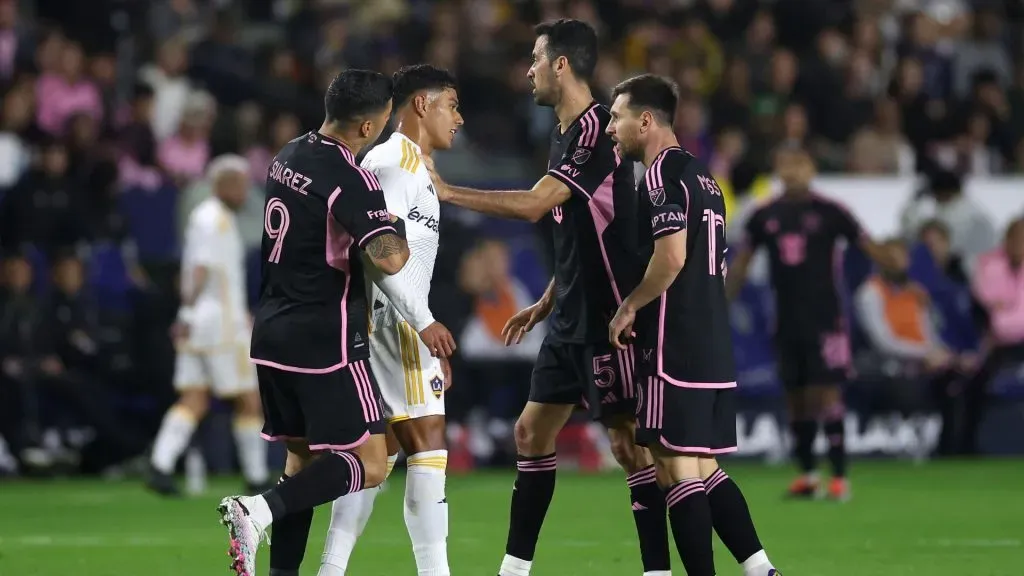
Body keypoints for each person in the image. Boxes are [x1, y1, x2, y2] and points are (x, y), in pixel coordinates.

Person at [427, 19, 670, 576]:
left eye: (535, 58)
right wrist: (546, 299)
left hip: (609, 314)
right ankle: (514, 570)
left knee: (629, 446)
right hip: (570, 313)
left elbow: (539, 205)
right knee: (530, 433)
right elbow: (583, 229)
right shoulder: (563, 132)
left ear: (561, 64)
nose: (528, 70)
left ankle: (658, 569)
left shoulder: (598, 129)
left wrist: (447, 192)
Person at [216, 69, 413, 576]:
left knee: (300, 464)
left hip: (271, 333)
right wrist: (396, 224)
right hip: (326, 341)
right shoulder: (350, 177)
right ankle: (256, 510)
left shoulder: (287, 155)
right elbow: (390, 258)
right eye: (385, 120)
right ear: (367, 127)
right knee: (371, 463)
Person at [606, 73, 780, 576]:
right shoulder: (704, 178)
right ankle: (761, 569)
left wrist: (629, 306)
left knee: (676, 466)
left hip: (672, 342)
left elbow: (672, 257)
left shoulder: (660, 175)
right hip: (712, 339)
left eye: (616, 117)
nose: (611, 128)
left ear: (645, 120)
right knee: (704, 467)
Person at [319, 63, 460, 576]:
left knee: (385, 453)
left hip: (396, 319)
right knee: (429, 441)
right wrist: (422, 324)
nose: (459, 118)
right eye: (452, 105)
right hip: (395, 320)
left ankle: (330, 569)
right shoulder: (395, 162)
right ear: (422, 104)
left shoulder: (409, 164)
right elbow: (377, 253)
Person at [725, 146, 892, 501]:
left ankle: (839, 476)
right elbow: (741, 262)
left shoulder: (831, 211)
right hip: (785, 319)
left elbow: (868, 246)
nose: (792, 172)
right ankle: (808, 475)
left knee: (826, 393)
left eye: (799, 164)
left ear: (811, 169)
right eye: (785, 165)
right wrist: (722, 301)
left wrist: (898, 269)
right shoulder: (764, 215)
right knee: (796, 397)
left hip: (825, 318)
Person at [147, 154, 270, 497]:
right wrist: (188, 312)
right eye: (241, 184)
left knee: (194, 398)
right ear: (226, 184)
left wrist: (187, 315)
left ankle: (159, 465)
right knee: (248, 399)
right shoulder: (214, 219)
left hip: (201, 322)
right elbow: (199, 269)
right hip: (221, 326)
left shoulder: (208, 217)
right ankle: (257, 476)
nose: (245, 192)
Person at [964, 218, 1024, 454]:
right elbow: (994, 318)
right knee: (972, 382)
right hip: (998, 348)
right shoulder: (989, 266)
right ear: (1007, 240)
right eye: (1016, 238)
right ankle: (970, 447)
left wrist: (1005, 313)